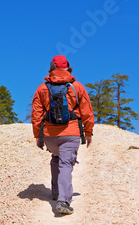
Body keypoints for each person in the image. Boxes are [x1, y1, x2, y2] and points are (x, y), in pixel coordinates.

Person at [31, 55, 94, 215]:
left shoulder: (42, 89)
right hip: (70, 133)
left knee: (56, 158)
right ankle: (63, 201)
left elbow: (36, 115)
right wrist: (88, 133)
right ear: (68, 68)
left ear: (51, 68)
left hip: (50, 135)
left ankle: (55, 191)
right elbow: (87, 112)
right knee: (66, 164)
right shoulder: (77, 87)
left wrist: (38, 136)